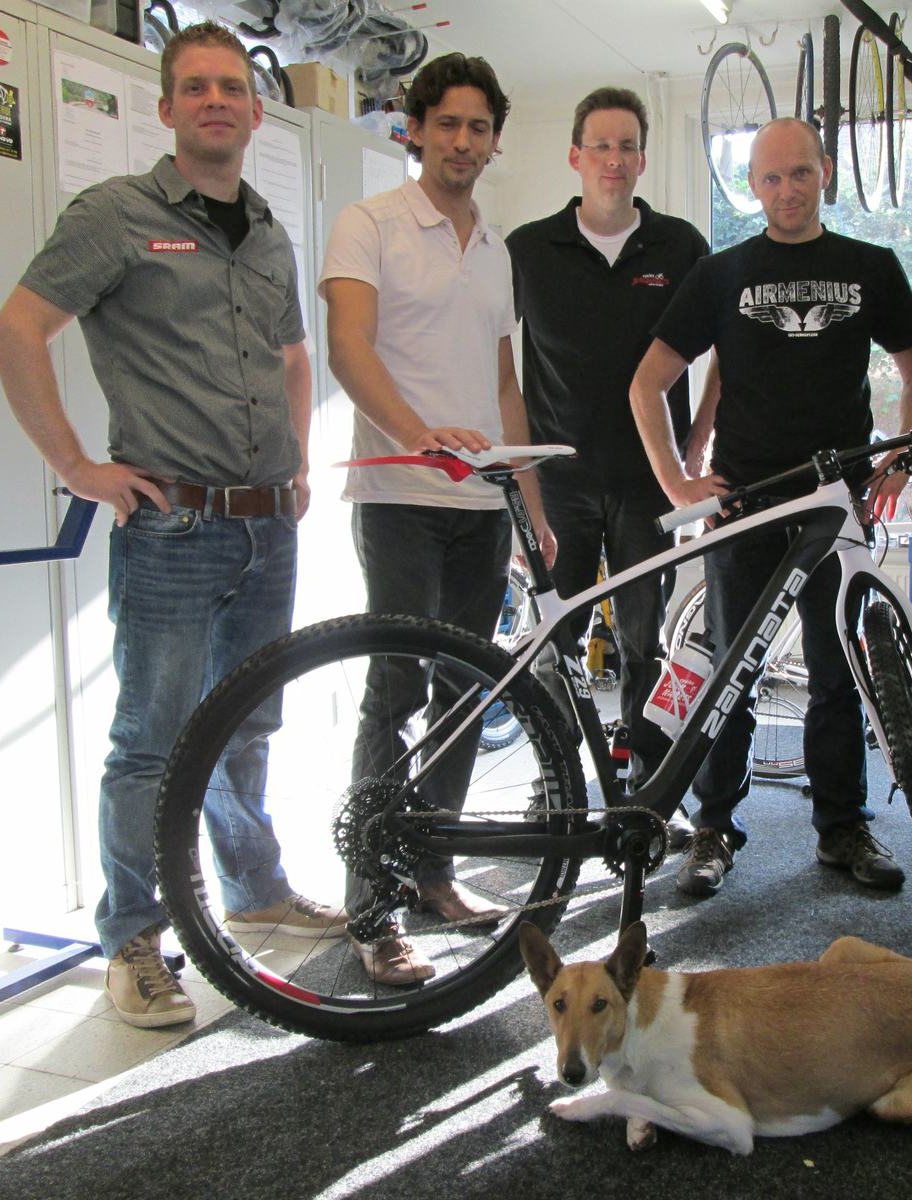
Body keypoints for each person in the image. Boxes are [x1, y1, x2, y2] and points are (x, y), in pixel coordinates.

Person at [0, 22, 341, 1029]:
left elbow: (294, 357)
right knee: (150, 742)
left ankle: (254, 889)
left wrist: (300, 462)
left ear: (254, 110)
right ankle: (134, 941)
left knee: (249, 723)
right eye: (196, 87)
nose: (216, 100)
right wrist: (77, 467)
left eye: (231, 86)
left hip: (269, 524)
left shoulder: (267, 228)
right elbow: (17, 333)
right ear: (168, 108)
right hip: (173, 528)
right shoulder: (115, 217)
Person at [629, 117, 912, 899]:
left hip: (838, 500)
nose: (787, 190)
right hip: (747, 505)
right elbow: (647, 384)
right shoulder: (722, 273)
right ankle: (713, 829)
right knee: (731, 670)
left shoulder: (870, 266)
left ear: (824, 171)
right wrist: (676, 481)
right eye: (770, 178)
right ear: (752, 186)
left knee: (839, 673)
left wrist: (900, 455)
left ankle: (842, 828)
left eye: (800, 173)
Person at [320, 53, 550, 984]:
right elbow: (347, 349)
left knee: (469, 691)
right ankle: (370, 907)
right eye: (445, 124)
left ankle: (434, 872)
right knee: (398, 689)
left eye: (478, 127)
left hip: (480, 504)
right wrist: (423, 440)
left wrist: (530, 503)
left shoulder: (495, 248)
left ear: (495, 139)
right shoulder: (368, 224)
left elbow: (504, 384)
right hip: (401, 498)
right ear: (414, 129)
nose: (462, 141)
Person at [505, 86, 715, 818]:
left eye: (627, 146)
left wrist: (694, 443)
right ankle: (556, 776)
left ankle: (644, 780)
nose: (615, 159)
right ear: (575, 156)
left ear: (642, 158)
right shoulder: (528, 250)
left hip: (646, 482)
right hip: (558, 481)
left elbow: (724, 349)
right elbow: (500, 361)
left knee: (640, 640)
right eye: (601, 145)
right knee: (553, 640)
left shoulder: (681, 245)